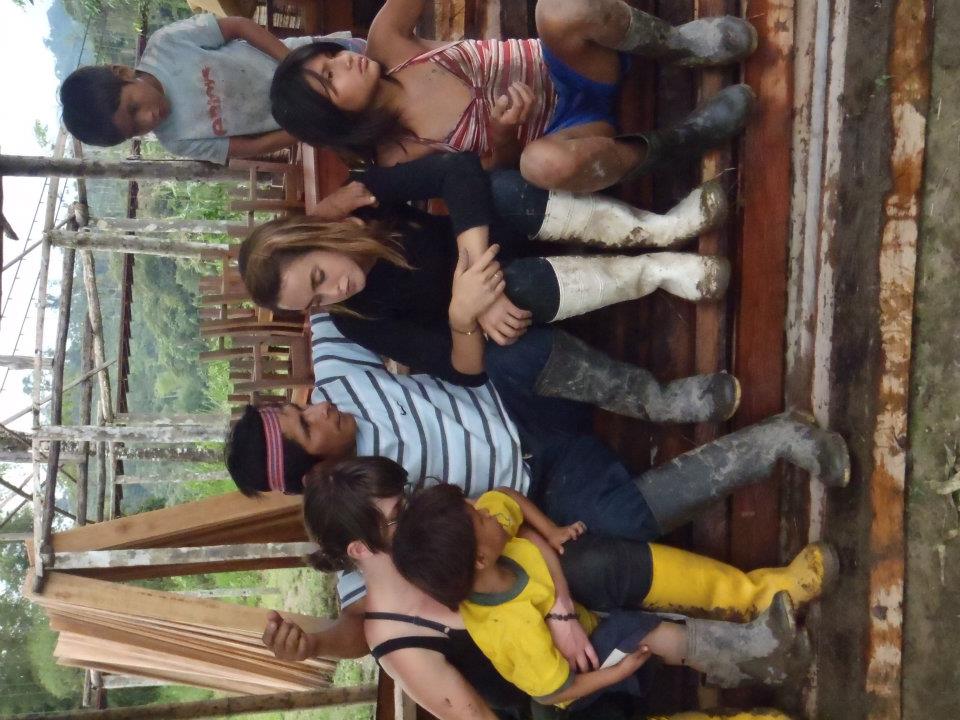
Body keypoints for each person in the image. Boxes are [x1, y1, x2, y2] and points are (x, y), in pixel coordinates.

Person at [228, 316, 845, 623]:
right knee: (620, 523)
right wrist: (314, 640)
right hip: (544, 490)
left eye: (298, 407)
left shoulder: (338, 377)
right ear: (312, 476)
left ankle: (665, 399)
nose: (318, 406)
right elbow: (363, 616)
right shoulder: (360, 520)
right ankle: (778, 440)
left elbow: (320, 296)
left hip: (522, 402)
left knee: (512, 348)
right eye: (306, 425)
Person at [261, 457, 803, 720]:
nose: (414, 510)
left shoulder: (441, 529)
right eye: (397, 513)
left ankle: (759, 595)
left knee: (590, 559)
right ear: (360, 549)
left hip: (576, 610)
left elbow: (506, 522)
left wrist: (561, 610)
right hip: (558, 692)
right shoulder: (394, 637)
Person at [240, 152, 732, 361]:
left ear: (317, 233)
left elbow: (457, 169)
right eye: (316, 302)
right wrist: (467, 312)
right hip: (508, 305)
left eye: (319, 276)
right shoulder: (357, 320)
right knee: (513, 287)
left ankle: (661, 228)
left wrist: (473, 271)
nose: (335, 292)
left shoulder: (361, 200)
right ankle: (656, 270)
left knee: (501, 190)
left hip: (495, 240)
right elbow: (458, 369)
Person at [392, 483, 810, 709]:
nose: (485, 509)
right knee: (646, 633)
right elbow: (552, 691)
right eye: (479, 517)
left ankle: (739, 658)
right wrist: (618, 673)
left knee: (636, 613)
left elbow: (508, 500)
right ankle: (755, 647)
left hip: (582, 618)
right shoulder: (510, 631)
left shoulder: (493, 550)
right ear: (480, 559)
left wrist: (552, 534)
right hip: (579, 674)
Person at [269, 0, 757, 192]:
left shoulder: (387, 41)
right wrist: (503, 133)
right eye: (329, 79)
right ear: (335, 118)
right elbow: (492, 171)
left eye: (330, 56)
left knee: (559, 9)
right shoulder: (399, 156)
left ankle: (682, 46)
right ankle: (684, 138)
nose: (344, 61)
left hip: (574, 63)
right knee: (540, 166)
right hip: (571, 132)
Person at [59, 14, 365, 163]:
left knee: (378, 59)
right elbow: (253, 147)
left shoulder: (166, 46)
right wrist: (311, 124)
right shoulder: (177, 141)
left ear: (123, 72)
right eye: (135, 129)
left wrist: (294, 65)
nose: (148, 119)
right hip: (319, 114)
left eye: (134, 107)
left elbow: (239, 26)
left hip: (318, 59)